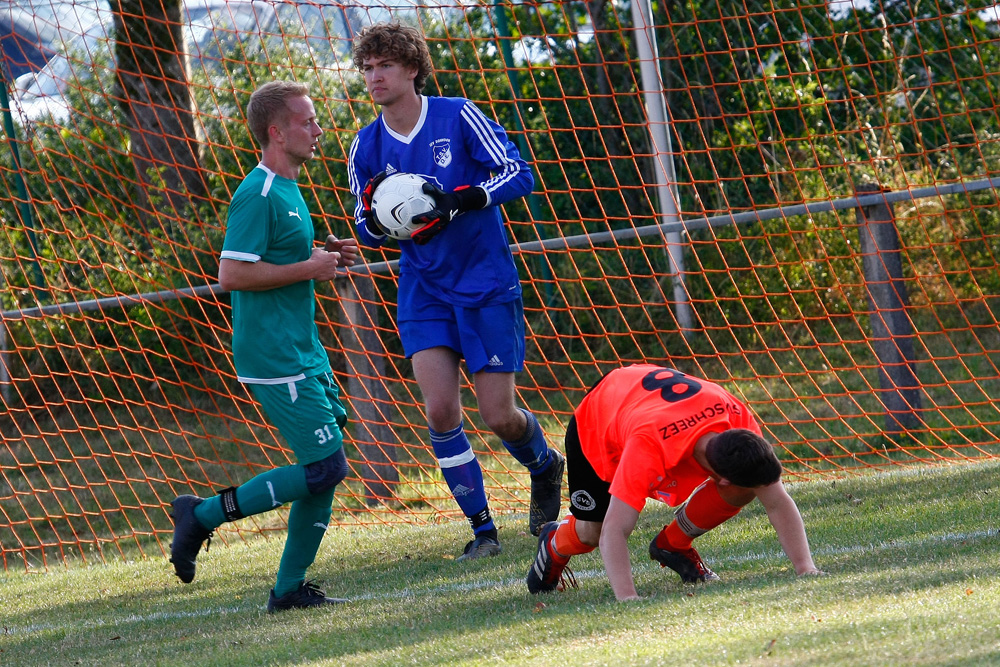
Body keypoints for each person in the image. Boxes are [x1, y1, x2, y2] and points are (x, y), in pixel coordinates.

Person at [347, 22, 564, 559]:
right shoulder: (366, 145)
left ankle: (545, 465)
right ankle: (483, 530)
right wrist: (382, 222)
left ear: (413, 69)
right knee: (440, 410)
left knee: (498, 416)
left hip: (484, 282)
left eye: (385, 67)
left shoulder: (458, 115)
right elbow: (361, 221)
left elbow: (517, 172)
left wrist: (459, 200)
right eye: (368, 68)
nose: (374, 77)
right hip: (423, 289)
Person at [168, 80, 360, 612]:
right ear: (276, 132)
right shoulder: (258, 193)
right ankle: (200, 516)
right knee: (325, 467)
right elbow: (232, 274)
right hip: (273, 357)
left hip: (303, 349)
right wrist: (310, 267)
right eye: (307, 122)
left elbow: (276, 260)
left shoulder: (290, 189)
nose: (318, 130)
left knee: (323, 468)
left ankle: (288, 590)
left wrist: (325, 254)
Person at [526, 364, 825, 600]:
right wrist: (628, 597)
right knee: (595, 531)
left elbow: (777, 500)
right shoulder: (648, 447)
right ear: (719, 477)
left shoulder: (738, 420)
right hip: (598, 417)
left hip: (646, 404)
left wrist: (805, 568)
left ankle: (673, 545)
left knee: (747, 485)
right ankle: (555, 540)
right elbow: (616, 532)